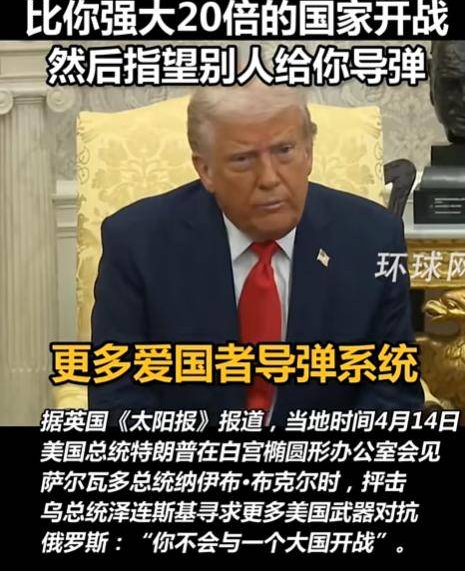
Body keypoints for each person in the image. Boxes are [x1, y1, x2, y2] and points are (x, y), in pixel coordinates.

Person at [89, 81, 424, 423]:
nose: (269, 178)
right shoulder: (137, 244)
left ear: (308, 153)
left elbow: (393, 393)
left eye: (284, 151)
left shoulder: (373, 239)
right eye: (243, 159)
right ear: (206, 170)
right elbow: (118, 397)